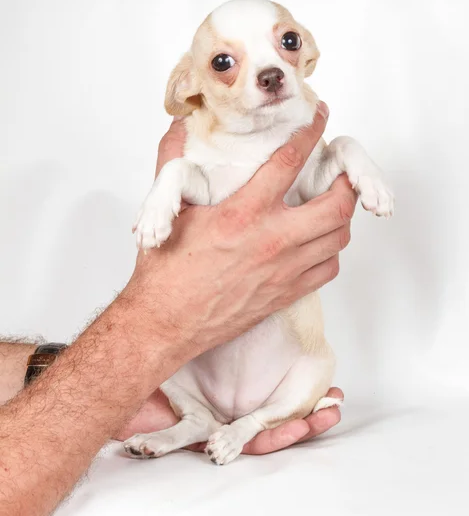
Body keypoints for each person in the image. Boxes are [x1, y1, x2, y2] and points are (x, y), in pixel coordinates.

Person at [0, 103, 357, 516]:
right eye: (224, 64)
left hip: (264, 376)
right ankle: (204, 417)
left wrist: (85, 380)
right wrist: (153, 321)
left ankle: (203, 418)